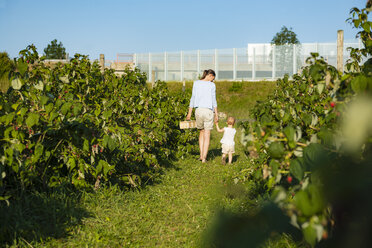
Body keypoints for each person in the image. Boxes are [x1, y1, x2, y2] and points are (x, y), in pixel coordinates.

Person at [186, 69, 218, 163]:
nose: (213, 80)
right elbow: (213, 100)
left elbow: (193, 98)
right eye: (213, 78)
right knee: (207, 134)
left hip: (198, 111)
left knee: (201, 132)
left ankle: (201, 155)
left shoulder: (196, 83)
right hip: (208, 111)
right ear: (210, 75)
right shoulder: (212, 85)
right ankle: (204, 158)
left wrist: (189, 113)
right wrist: (216, 114)